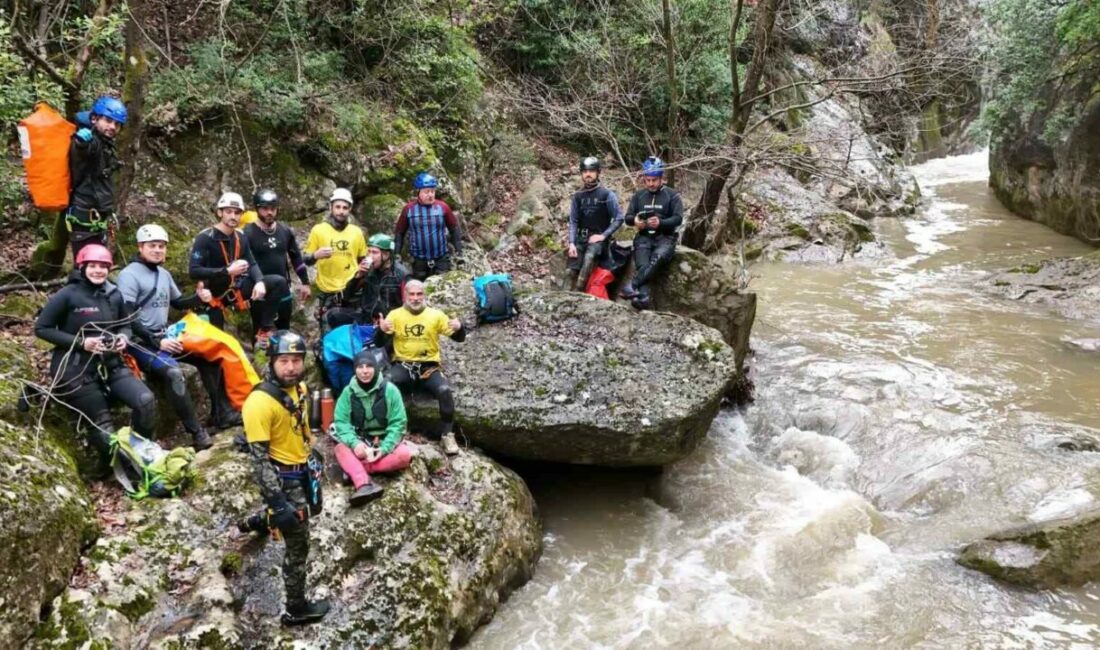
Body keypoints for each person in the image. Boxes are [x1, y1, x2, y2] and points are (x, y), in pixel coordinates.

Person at [34, 244, 156, 472]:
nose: (98, 271)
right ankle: (115, 468)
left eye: (103, 267)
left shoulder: (113, 294)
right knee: (102, 423)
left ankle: (139, 455)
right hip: (75, 368)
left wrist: (123, 338)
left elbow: (126, 325)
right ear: (82, 267)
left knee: (146, 402)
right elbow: (42, 328)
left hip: (110, 363)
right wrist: (81, 342)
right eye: (93, 266)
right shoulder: (67, 295)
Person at [118, 224, 243, 446]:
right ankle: (196, 432)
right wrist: (157, 341)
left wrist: (198, 298)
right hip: (141, 342)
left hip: (163, 337)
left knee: (211, 358)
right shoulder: (129, 276)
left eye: (161, 246)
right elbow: (128, 317)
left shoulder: (163, 274)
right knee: (174, 374)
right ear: (140, 247)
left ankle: (220, 414)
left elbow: (177, 303)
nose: (157, 250)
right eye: (152, 246)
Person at [237, 331, 329, 626]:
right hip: (281, 478)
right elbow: (260, 461)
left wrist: (311, 452)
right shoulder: (259, 403)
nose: (291, 367)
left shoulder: (298, 387)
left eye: (296, 361)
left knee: (308, 511)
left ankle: (256, 523)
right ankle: (296, 609)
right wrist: (279, 505)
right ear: (273, 362)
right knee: (298, 542)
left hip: (301, 466)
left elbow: (299, 425)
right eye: (284, 361)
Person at [188, 192, 290, 350]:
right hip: (213, 296)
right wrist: (226, 271)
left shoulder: (240, 237)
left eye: (237, 213)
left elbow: (252, 262)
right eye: (228, 211)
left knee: (278, 282)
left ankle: (263, 331)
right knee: (217, 347)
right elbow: (194, 271)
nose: (233, 216)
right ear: (220, 212)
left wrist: (260, 282)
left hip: (236, 289)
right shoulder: (205, 238)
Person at [377, 279, 465, 455]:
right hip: (404, 365)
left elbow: (459, 338)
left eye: (419, 294)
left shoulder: (436, 315)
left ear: (424, 295)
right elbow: (378, 342)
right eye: (412, 294)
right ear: (405, 296)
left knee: (444, 390)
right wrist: (381, 329)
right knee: (385, 383)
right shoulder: (395, 315)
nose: (416, 298)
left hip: (428, 367)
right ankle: (390, 430)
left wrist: (459, 327)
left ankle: (447, 435)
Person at [331, 348, 414, 506]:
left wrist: (384, 449)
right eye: (360, 367)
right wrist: (355, 444)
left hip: (384, 441)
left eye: (369, 366)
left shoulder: (390, 391)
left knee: (404, 455)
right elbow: (341, 422)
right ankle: (364, 485)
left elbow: (398, 423)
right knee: (340, 449)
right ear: (355, 370)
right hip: (361, 440)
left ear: (375, 368)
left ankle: (356, 470)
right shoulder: (348, 393)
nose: (364, 371)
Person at [242, 188, 311, 330]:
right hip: (259, 289)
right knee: (260, 330)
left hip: (283, 289)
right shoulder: (247, 233)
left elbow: (296, 258)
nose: (269, 212)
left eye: (273, 209)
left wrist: (305, 283)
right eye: (265, 209)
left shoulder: (285, 231)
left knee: (284, 330)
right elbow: (246, 262)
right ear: (257, 209)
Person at [619, 156, 683, 310]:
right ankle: (644, 298)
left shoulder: (672, 195)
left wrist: (661, 223)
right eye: (648, 180)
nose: (651, 183)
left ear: (662, 179)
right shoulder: (639, 196)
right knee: (642, 264)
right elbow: (627, 217)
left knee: (657, 258)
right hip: (644, 236)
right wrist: (635, 221)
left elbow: (678, 219)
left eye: (654, 180)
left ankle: (632, 285)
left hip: (665, 237)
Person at [67, 96, 127, 259]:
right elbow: (82, 151)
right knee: (86, 265)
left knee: (95, 264)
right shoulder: (91, 141)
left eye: (117, 124)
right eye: (108, 120)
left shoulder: (106, 143)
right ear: (94, 118)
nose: (112, 126)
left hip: (98, 216)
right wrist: (81, 142)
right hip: (85, 216)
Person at [302, 188, 368, 330]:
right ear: (331, 207)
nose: (341, 211)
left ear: (350, 209)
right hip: (327, 291)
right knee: (327, 331)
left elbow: (362, 259)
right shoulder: (318, 230)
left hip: (351, 290)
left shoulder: (356, 232)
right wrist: (315, 255)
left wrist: (361, 276)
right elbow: (305, 259)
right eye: (337, 207)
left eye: (345, 207)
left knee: (351, 331)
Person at [566, 156, 623, 291]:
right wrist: (572, 242)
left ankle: (578, 295)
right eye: (585, 171)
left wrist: (603, 236)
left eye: (591, 171)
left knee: (589, 259)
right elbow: (573, 220)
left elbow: (619, 218)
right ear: (581, 174)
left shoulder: (607, 195)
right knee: (570, 271)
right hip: (581, 239)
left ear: (598, 172)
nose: (588, 174)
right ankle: (563, 299)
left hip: (599, 241)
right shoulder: (578, 196)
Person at [394, 173, 462, 281]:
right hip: (418, 260)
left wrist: (459, 252)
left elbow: (454, 229)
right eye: (426, 192)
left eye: (432, 191)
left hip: (441, 258)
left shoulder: (443, 207)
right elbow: (399, 232)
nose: (430, 195)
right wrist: (396, 254)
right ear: (418, 192)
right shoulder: (409, 209)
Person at [344, 233, 409, 325]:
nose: (370, 256)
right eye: (369, 252)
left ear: (386, 255)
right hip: (367, 317)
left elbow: (408, 304)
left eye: (374, 252)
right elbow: (346, 297)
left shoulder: (401, 274)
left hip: (389, 322)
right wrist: (358, 277)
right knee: (333, 315)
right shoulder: (367, 271)